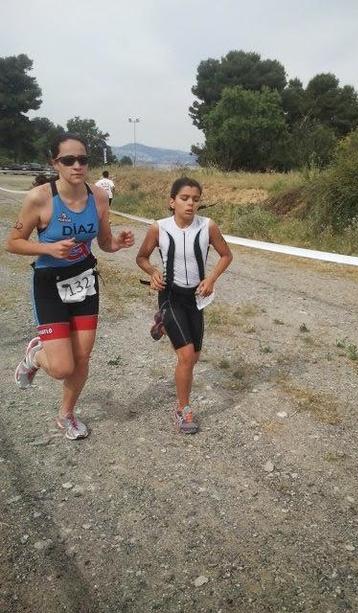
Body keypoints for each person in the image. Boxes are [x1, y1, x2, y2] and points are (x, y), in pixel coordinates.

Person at [5, 133, 134, 440]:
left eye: (83, 159)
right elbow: (12, 243)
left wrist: (117, 243)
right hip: (49, 282)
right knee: (62, 367)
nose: (78, 165)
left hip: (85, 278)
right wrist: (48, 249)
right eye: (69, 160)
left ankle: (67, 414)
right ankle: (35, 356)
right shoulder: (40, 198)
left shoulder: (98, 197)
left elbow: (103, 242)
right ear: (56, 163)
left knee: (83, 357)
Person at [136, 177, 233, 434]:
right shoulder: (159, 228)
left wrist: (211, 278)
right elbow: (142, 257)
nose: (190, 204)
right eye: (184, 198)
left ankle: (162, 323)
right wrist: (153, 271)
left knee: (195, 357)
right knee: (187, 356)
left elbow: (226, 255)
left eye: (196, 199)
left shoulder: (207, 226)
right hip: (170, 295)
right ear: (172, 201)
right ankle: (182, 409)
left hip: (195, 299)